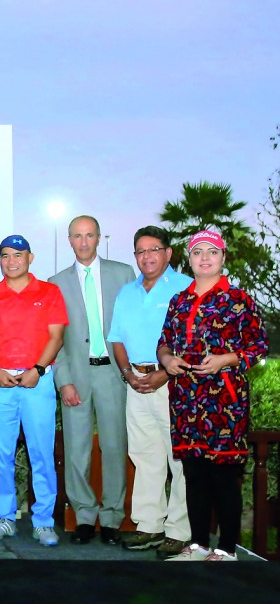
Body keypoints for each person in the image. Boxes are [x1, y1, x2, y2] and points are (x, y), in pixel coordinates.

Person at [159, 230, 268, 562]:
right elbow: (164, 340)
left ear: (223, 258)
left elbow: (259, 347)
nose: (204, 257)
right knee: (194, 474)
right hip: (186, 399)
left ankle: (227, 549)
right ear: (188, 259)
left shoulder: (239, 299)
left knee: (223, 476)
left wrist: (225, 359)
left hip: (225, 401)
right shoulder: (179, 300)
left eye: (212, 252)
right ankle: (198, 544)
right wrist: (166, 359)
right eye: (197, 252)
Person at [48, 215, 135, 546]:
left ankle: (112, 517)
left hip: (114, 373)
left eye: (89, 236)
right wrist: (64, 380)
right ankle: (84, 515)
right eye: (77, 236)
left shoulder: (123, 274)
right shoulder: (55, 283)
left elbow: (130, 324)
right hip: (76, 375)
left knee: (114, 446)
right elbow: (55, 339)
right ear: (69, 240)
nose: (83, 242)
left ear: (99, 238)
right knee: (77, 450)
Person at [0, 235, 67, 547]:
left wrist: (38, 370)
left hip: (37, 381)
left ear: (30, 257)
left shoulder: (50, 292)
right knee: (0, 453)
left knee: (41, 452)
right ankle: (5, 517)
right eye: (5, 255)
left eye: (18, 255)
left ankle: (43, 521)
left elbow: (57, 337)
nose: (11, 261)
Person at [108, 225, 192, 558]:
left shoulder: (185, 288)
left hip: (174, 384)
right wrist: (128, 373)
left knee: (179, 458)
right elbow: (116, 338)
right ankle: (149, 526)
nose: (147, 257)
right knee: (145, 456)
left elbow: (191, 342)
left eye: (153, 249)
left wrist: (162, 375)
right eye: (140, 251)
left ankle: (179, 530)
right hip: (136, 383)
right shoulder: (127, 292)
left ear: (168, 253)